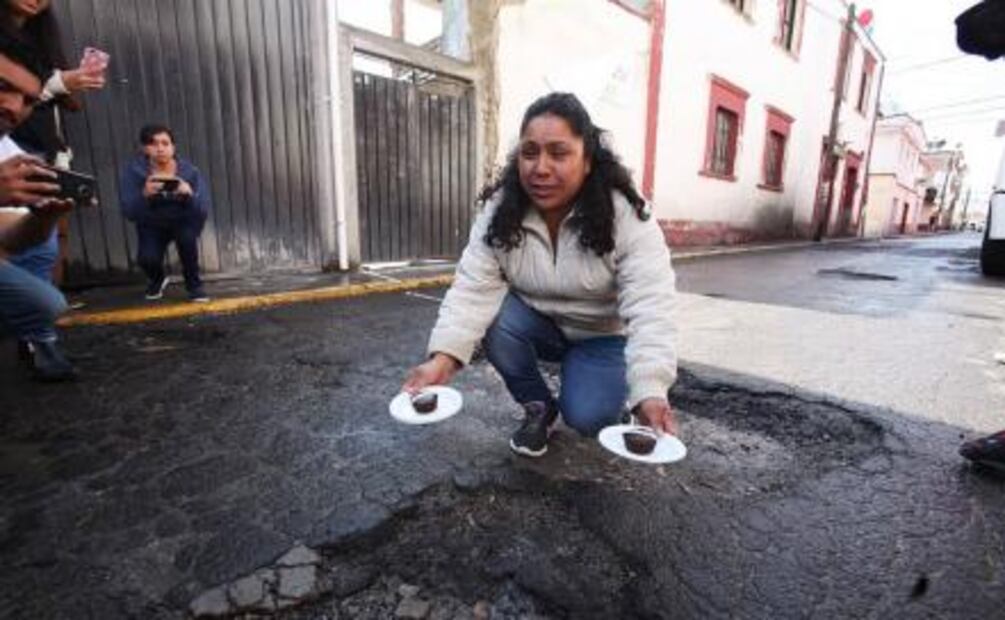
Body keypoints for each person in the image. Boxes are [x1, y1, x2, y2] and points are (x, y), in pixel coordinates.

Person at [402, 92, 678, 457]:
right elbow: (473, 287)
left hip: (602, 337)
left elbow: (651, 304)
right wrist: (442, 359)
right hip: (537, 324)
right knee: (495, 315)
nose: (540, 168)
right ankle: (538, 407)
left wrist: (650, 389)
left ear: (588, 160)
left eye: (559, 153)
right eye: (530, 153)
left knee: (589, 418)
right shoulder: (501, 210)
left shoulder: (625, 215)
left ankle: (597, 390)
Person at [0, 32, 79, 381]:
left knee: (44, 303)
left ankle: (38, 342)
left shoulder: (7, 149)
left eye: (29, 100)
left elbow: (8, 239)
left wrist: (43, 219)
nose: (15, 108)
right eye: (2, 86)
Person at [119, 124, 211, 302]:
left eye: (165, 143)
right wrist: (144, 195)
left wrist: (189, 194)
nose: (160, 148)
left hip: (183, 219)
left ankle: (194, 285)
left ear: (173, 147)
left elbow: (202, 208)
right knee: (147, 259)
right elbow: (129, 211)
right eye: (153, 143)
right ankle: (157, 279)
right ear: (145, 148)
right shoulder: (134, 172)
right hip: (151, 223)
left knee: (187, 241)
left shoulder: (190, 172)